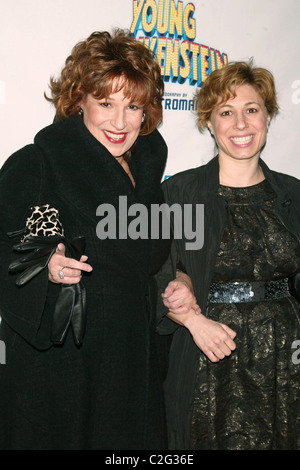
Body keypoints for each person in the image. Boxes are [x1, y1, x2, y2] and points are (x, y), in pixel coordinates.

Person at [0, 29, 171, 450]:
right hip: (63, 370)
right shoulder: (38, 162)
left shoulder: (149, 169)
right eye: (106, 103)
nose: (120, 121)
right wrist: (44, 269)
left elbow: (154, 258)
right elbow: (6, 252)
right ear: (79, 100)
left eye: (133, 106)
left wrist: (180, 279)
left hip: (132, 360)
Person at [156, 60, 300, 450]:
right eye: (226, 112)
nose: (241, 124)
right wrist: (194, 322)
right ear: (208, 121)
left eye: (251, 110)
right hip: (209, 356)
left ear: (267, 116)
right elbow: (151, 277)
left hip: (286, 363)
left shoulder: (294, 194)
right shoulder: (178, 194)